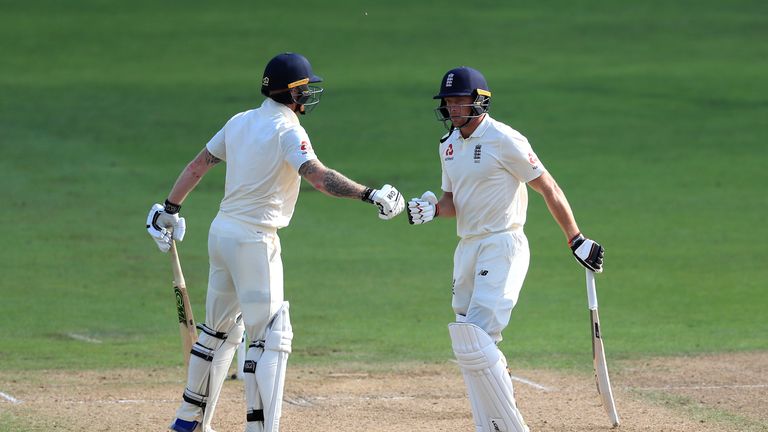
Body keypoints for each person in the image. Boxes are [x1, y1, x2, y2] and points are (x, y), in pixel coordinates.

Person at [146, 52, 405, 432]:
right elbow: (318, 177)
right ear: (290, 92)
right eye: (303, 88)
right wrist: (369, 195)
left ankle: (187, 421)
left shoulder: (240, 121)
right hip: (254, 240)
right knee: (270, 337)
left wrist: (169, 210)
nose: (307, 95)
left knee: (217, 332)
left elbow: (198, 165)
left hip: (221, 233)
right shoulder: (288, 130)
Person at [407, 66, 604, 432]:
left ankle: (509, 426)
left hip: (503, 243)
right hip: (467, 246)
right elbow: (454, 202)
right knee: (465, 335)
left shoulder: (505, 139)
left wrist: (575, 238)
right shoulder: (447, 146)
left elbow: (548, 187)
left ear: (479, 101)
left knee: (479, 335)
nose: (451, 108)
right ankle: (489, 423)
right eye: (447, 102)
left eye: (458, 100)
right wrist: (432, 210)